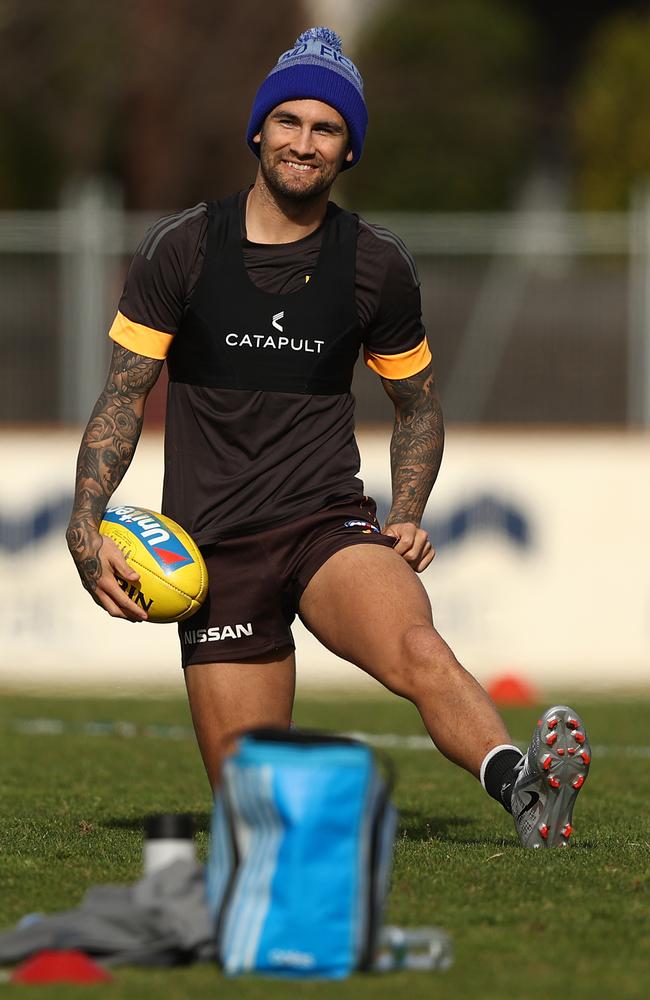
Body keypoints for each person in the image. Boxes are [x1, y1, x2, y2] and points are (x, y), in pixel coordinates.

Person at [66, 27, 589, 847]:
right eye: (289, 122)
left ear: (348, 151)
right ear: (258, 132)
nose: (304, 142)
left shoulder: (374, 265)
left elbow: (417, 405)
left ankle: (522, 785)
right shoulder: (184, 248)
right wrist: (85, 522)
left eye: (327, 129)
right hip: (211, 554)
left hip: (324, 526)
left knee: (414, 643)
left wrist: (408, 508)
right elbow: (123, 397)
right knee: (256, 816)